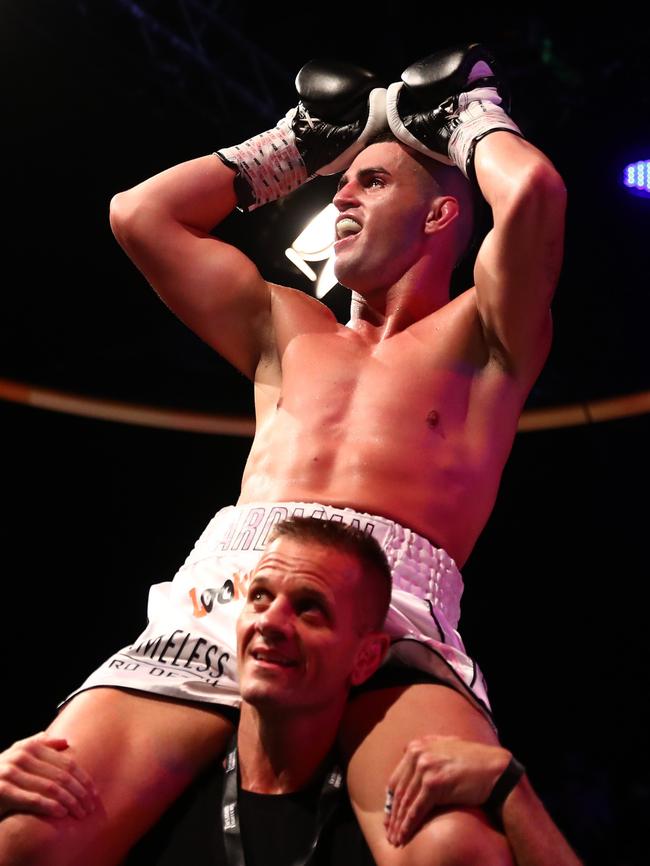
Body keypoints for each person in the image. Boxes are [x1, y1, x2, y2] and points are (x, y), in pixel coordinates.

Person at [0, 43, 567, 866]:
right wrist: (296, 147)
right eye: (340, 180)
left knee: (450, 852)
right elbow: (139, 215)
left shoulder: (486, 333)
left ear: (441, 213)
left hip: (393, 607)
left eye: (371, 181)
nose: (341, 192)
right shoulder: (288, 327)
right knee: (31, 831)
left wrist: (470, 124)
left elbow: (536, 195)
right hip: (230, 584)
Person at [1, 520, 581, 866]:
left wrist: (512, 789)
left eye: (309, 610)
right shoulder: (147, 796)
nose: (272, 623)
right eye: (259, 599)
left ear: (367, 657)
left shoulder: (396, 815)